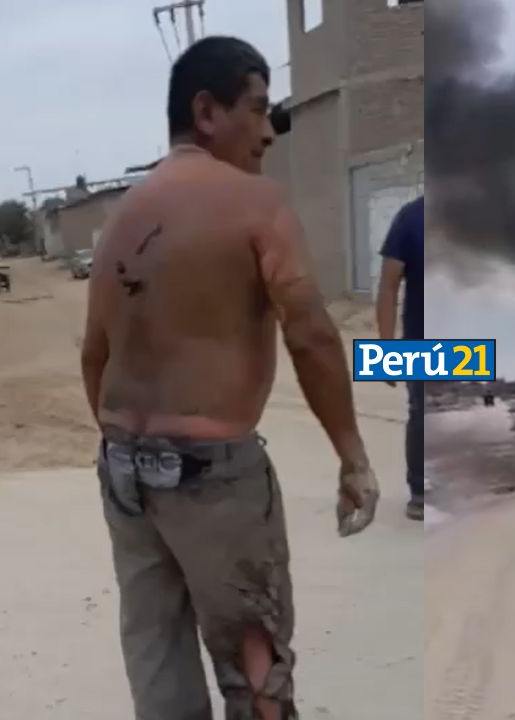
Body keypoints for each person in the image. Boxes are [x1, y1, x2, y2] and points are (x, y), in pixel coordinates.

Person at [80, 36, 380, 720]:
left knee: (158, 661)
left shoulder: (121, 221)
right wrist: (353, 458)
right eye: (258, 108)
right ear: (207, 112)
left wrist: (127, 450)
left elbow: (94, 356)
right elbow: (310, 334)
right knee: (255, 667)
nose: (269, 132)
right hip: (211, 478)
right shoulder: (256, 204)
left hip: (123, 471)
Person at [375, 195, 424, 521]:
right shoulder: (411, 217)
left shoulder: (475, 215)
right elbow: (389, 286)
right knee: (422, 411)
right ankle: (420, 491)